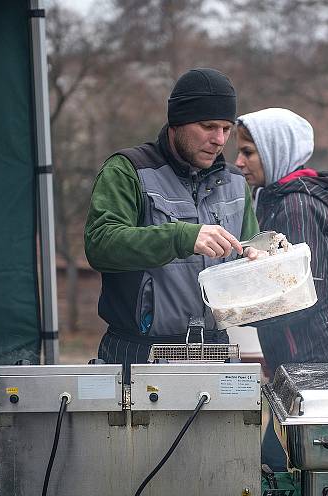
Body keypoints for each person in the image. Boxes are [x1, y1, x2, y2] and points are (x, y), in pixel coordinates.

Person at [84, 68, 260, 381]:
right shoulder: (128, 171)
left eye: (226, 128)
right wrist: (181, 236)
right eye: (208, 126)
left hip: (217, 352)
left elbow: (249, 251)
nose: (219, 140)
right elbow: (101, 244)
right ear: (177, 121)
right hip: (139, 353)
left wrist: (265, 258)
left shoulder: (235, 182)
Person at [235, 108, 328, 471]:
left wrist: (237, 309)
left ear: (275, 151)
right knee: (280, 466)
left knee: (282, 466)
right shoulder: (273, 198)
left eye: (249, 152)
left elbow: (303, 294)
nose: (239, 162)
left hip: (316, 370)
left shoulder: (297, 206)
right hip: (294, 363)